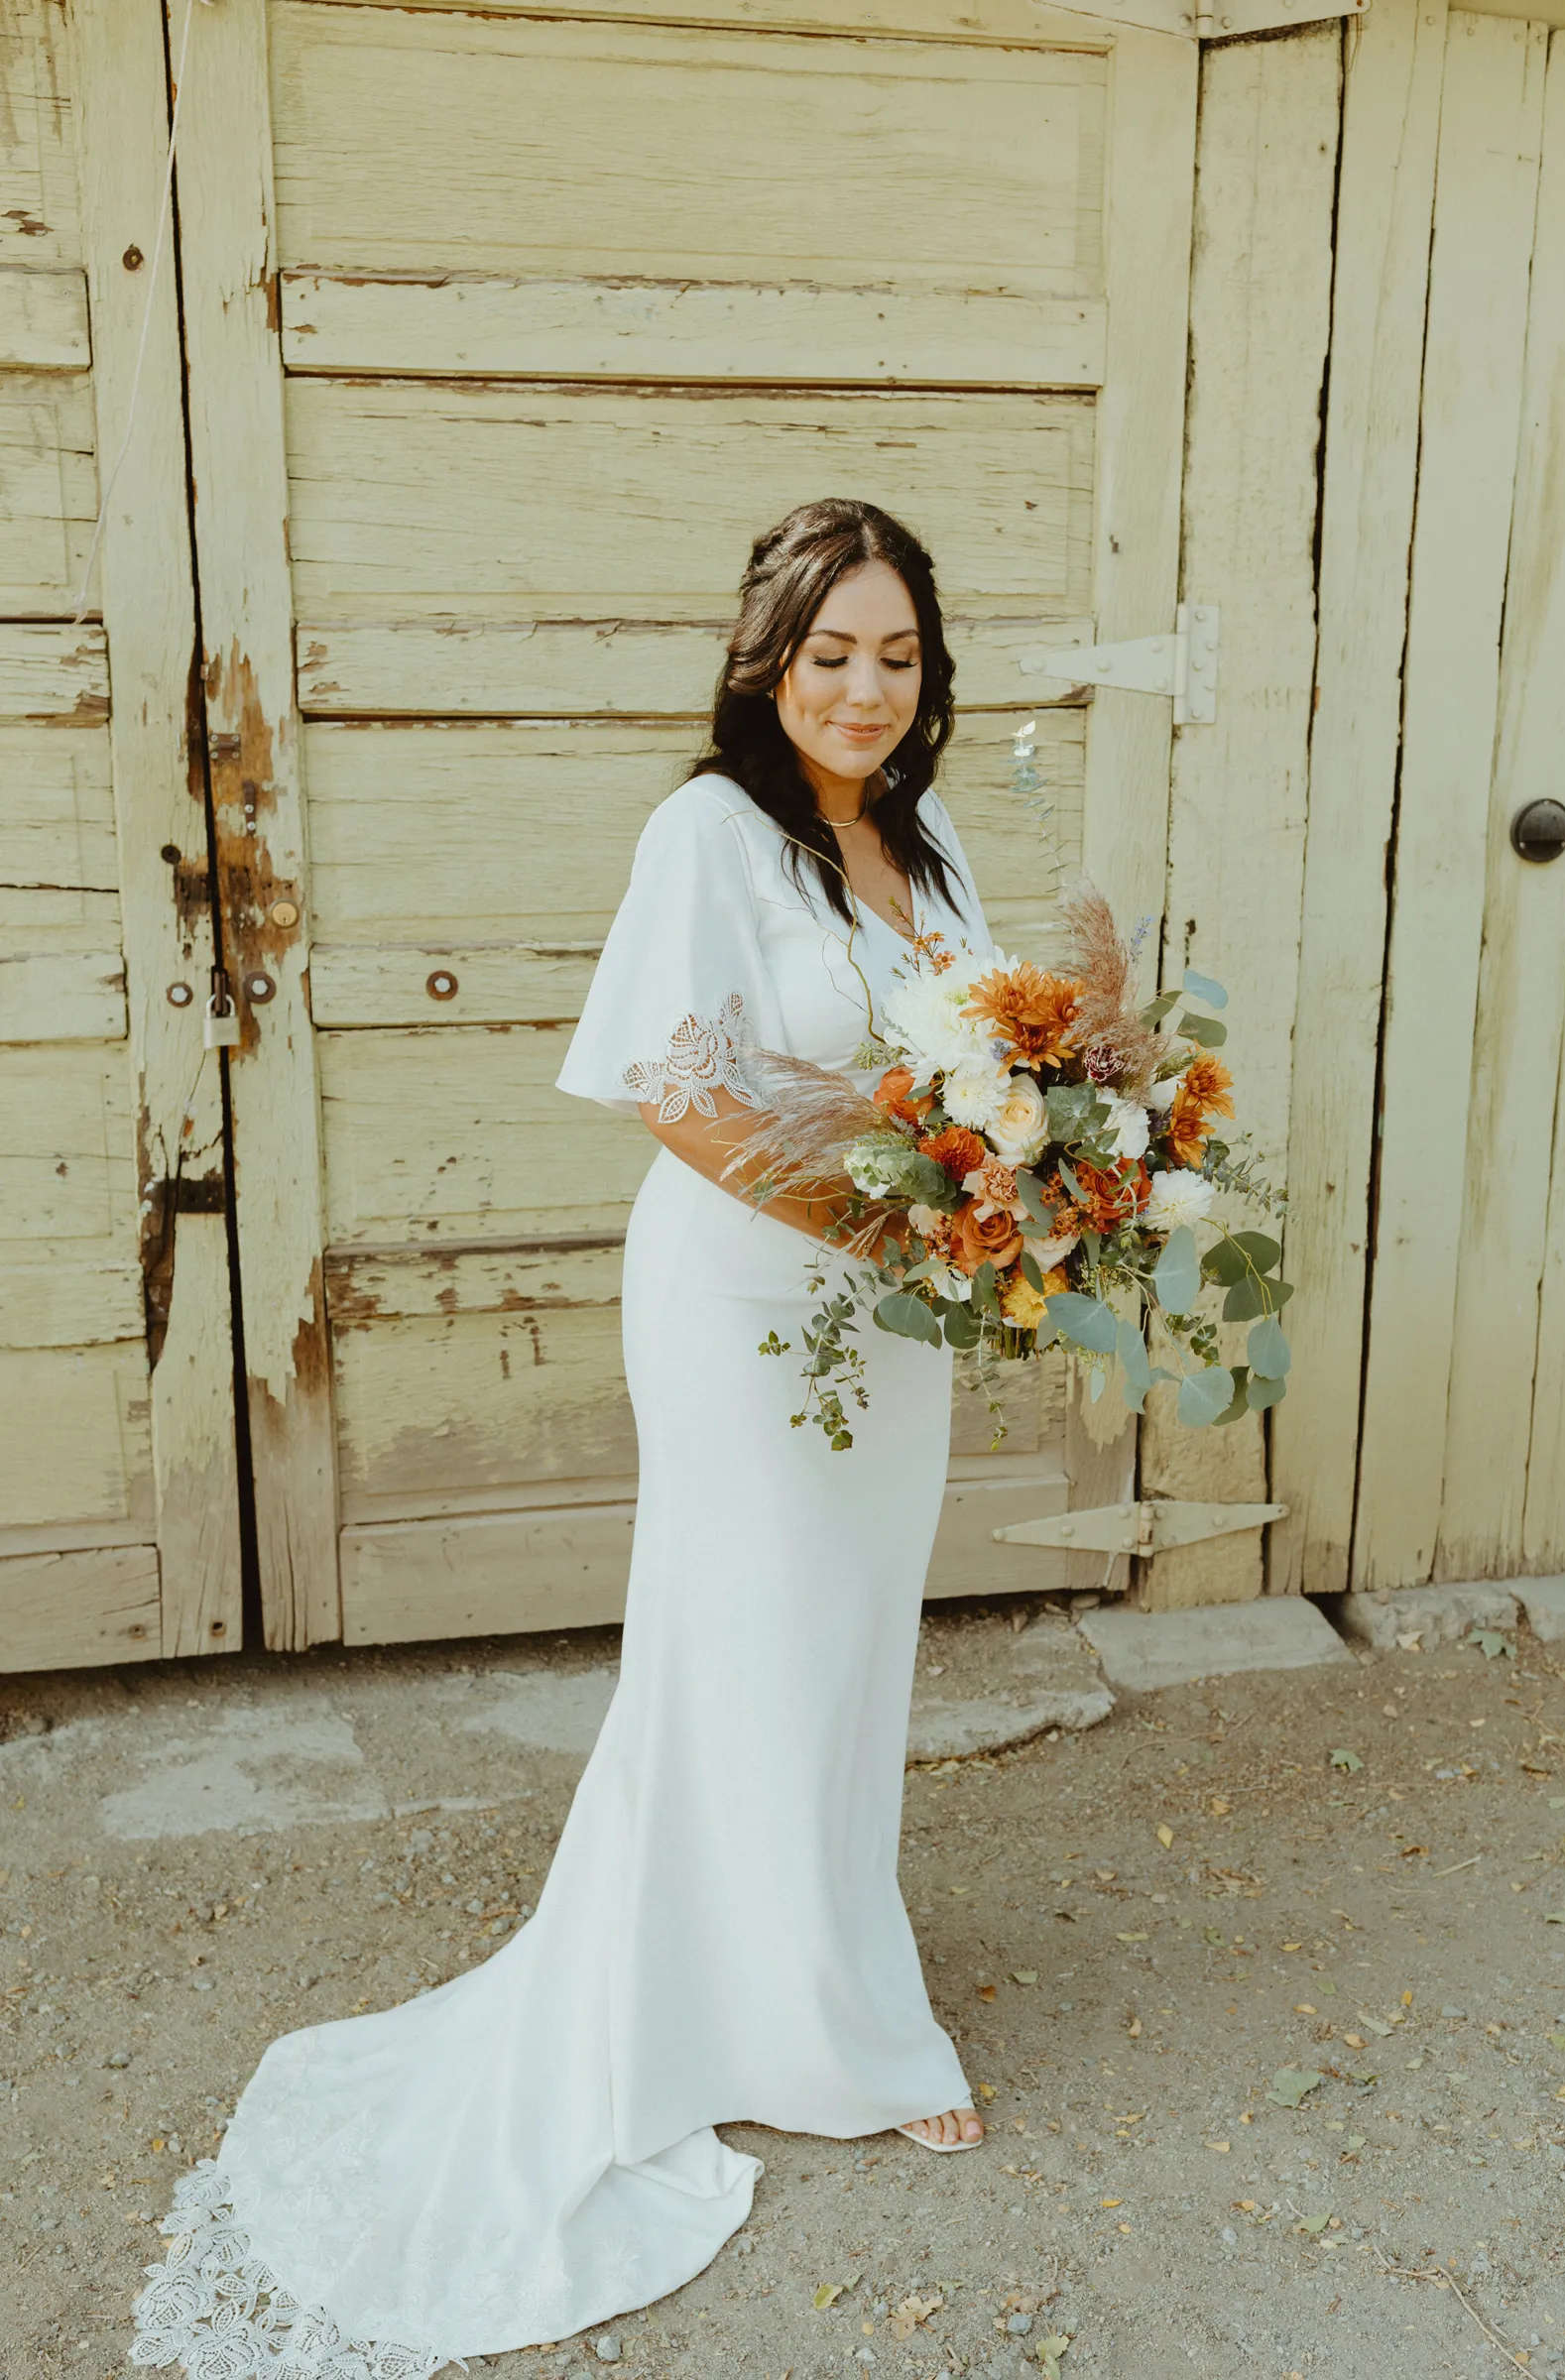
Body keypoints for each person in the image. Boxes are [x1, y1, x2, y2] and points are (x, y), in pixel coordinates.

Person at [129, 499, 992, 2380]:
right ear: (768, 661)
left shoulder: (925, 843)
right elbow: (674, 1076)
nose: (864, 684)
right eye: (831, 650)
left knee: (850, 1653)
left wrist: (1016, 1193)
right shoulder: (712, 832)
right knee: (743, 1648)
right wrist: (878, 1219)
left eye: (897, 653)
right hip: (755, 1305)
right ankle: (783, 2028)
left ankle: (822, 1979)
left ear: (930, 673)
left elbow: (980, 1060)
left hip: (895, 1324)